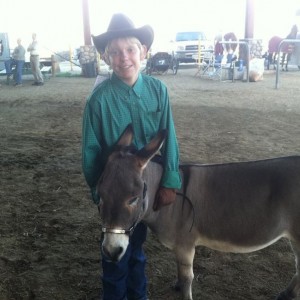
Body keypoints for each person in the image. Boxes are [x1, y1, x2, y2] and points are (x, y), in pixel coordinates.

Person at [82, 13, 181, 300]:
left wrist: (171, 179)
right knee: (114, 257)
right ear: (106, 56)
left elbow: (169, 136)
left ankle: (139, 296)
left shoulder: (158, 90)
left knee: (136, 248)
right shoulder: (98, 100)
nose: (123, 57)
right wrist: (99, 193)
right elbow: (90, 152)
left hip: (145, 185)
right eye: (115, 52)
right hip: (115, 192)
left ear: (143, 53)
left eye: (130, 50)